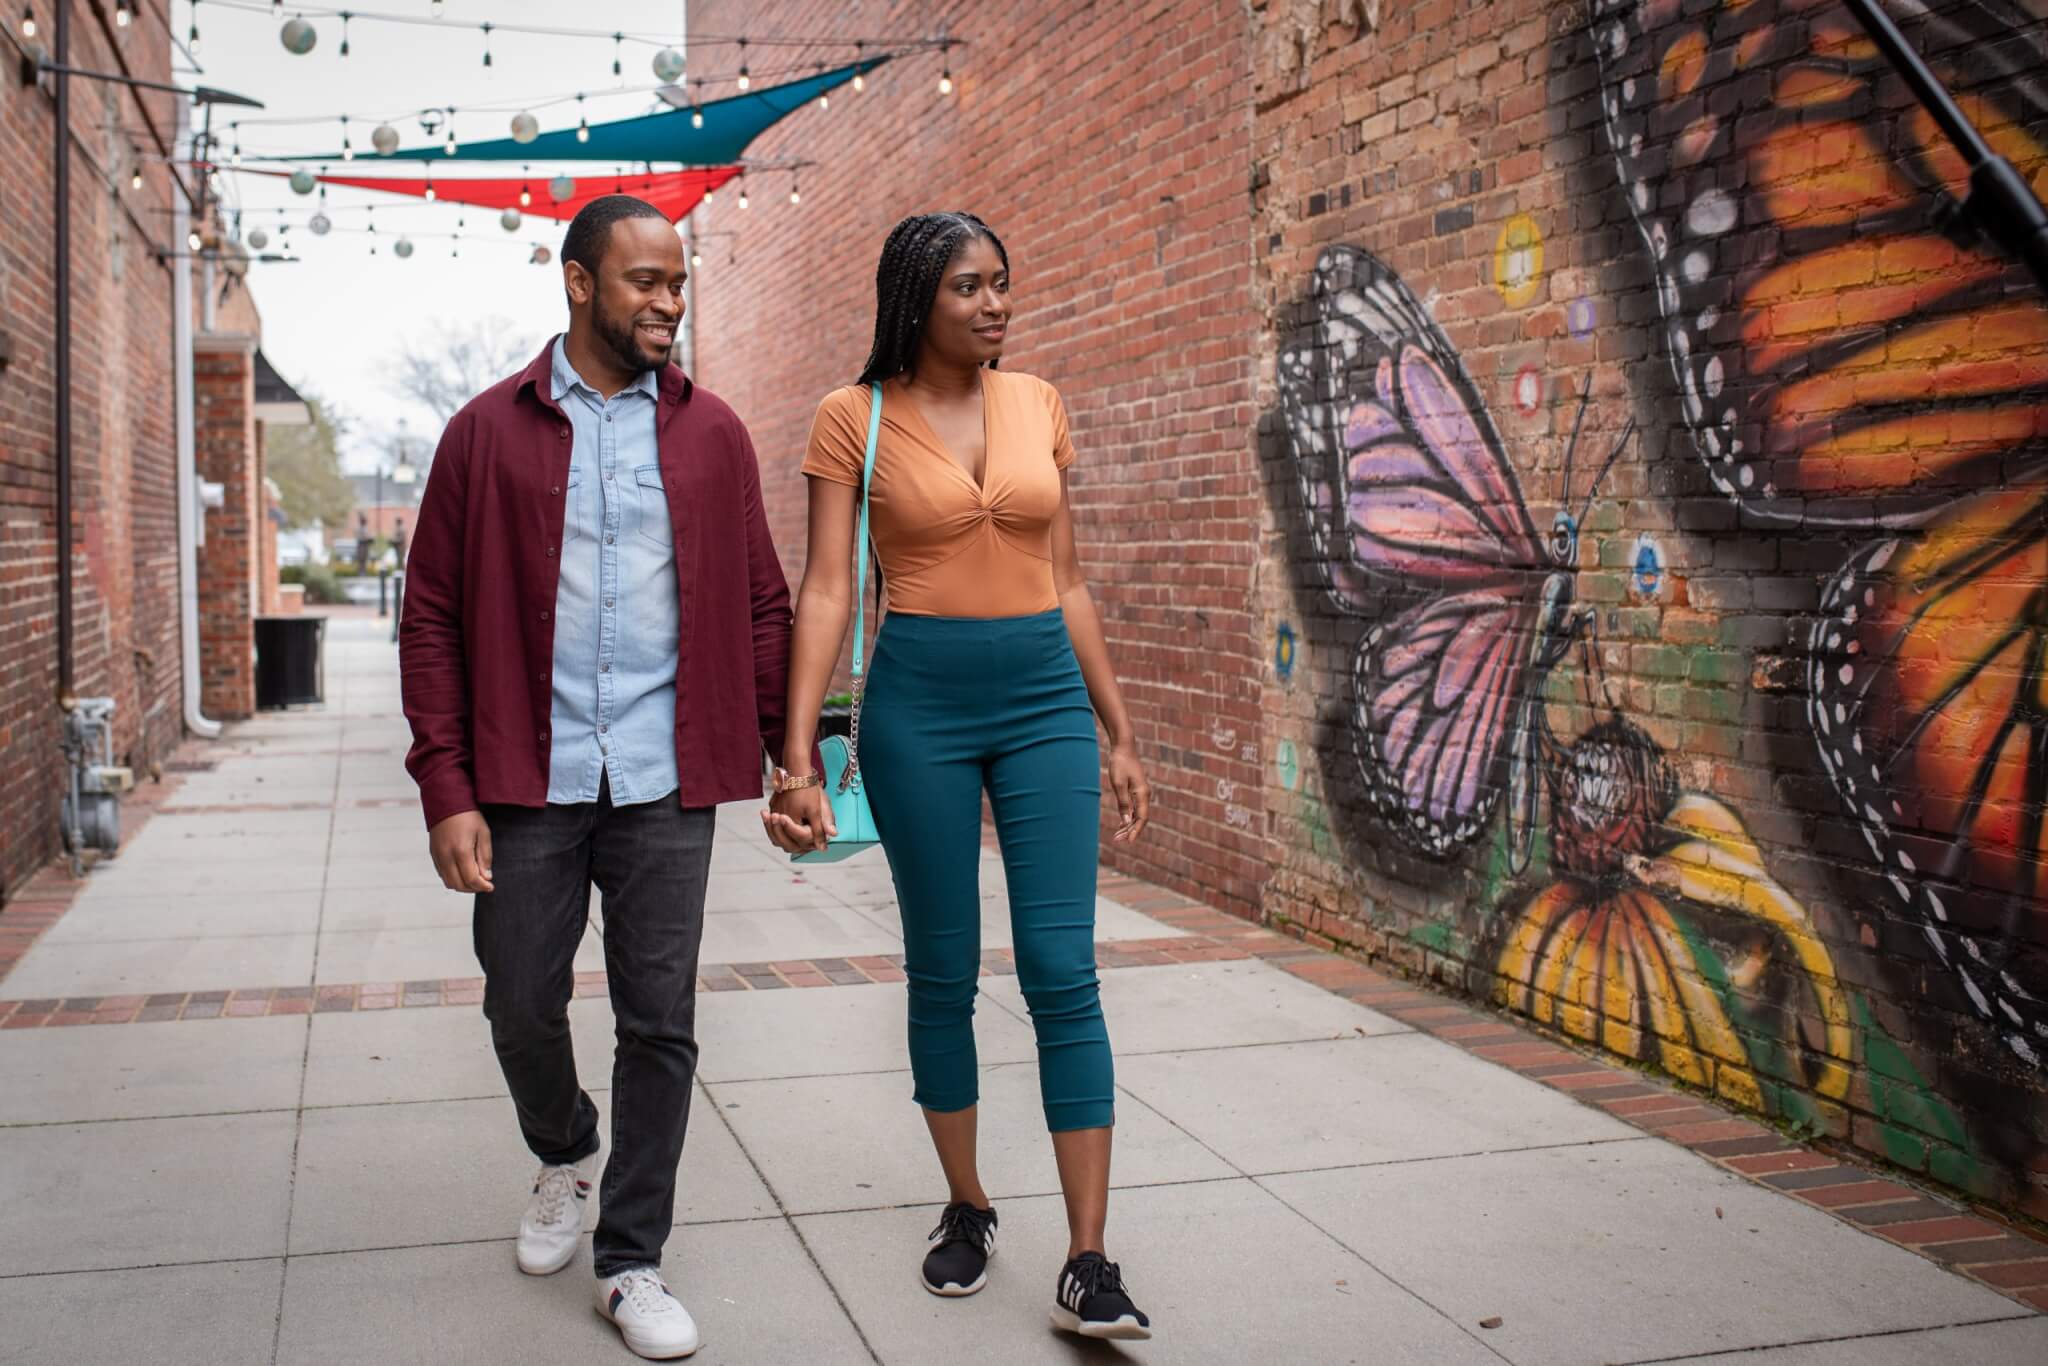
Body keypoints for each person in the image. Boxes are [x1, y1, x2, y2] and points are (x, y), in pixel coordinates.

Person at [400, 194, 801, 1361]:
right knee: (518, 997)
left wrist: (793, 756)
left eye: (676, 283)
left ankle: (630, 1258)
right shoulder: (484, 433)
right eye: (643, 282)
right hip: (528, 776)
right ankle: (565, 1146)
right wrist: (448, 784)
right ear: (578, 283)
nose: (668, 303)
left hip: (669, 777)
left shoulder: (713, 432)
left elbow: (761, 601)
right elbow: (429, 618)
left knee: (658, 1022)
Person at [765, 211, 1156, 1342]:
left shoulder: (1035, 402)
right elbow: (829, 590)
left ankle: (1088, 1258)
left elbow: (1068, 576)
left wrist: (1116, 728)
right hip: (917, 709)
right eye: (968, 288)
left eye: (1002, 283)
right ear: (914, 298)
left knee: (1057, 966)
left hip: (1042, 700)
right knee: (941, 969)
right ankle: (968, 1204)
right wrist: (796, 754)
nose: (995, 304)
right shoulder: (854, 418)